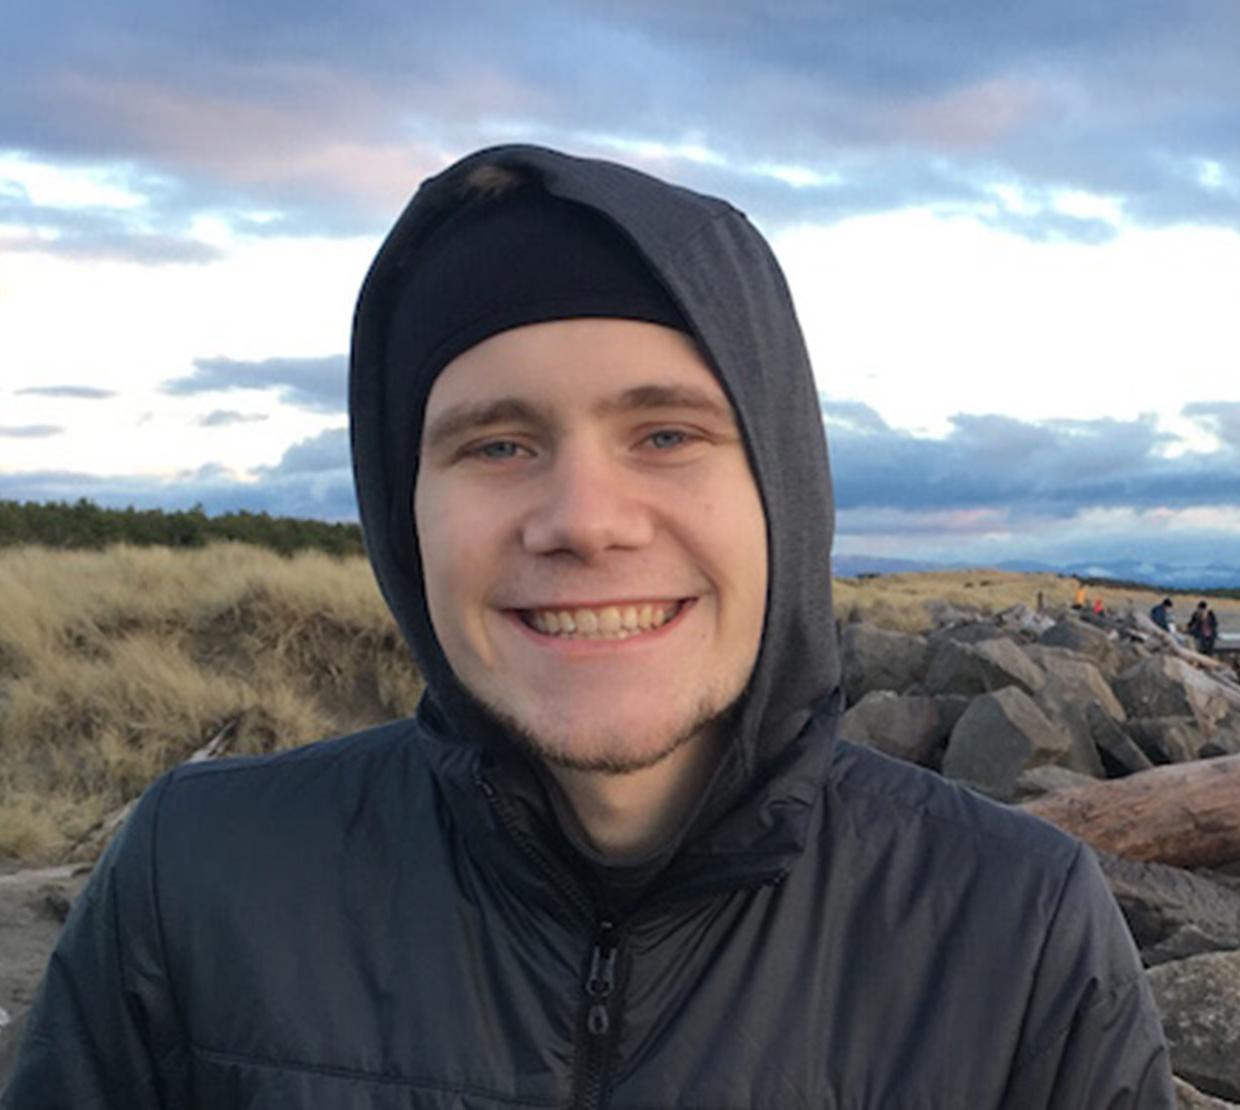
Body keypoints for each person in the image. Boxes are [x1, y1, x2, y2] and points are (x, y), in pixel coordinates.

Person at [2, 146, 1173, 1107]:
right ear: (404, 513)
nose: (582, 522)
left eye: (666, 433)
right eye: (495, 445)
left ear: (784, 487)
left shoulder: (1017, 932)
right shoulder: (199, 879)